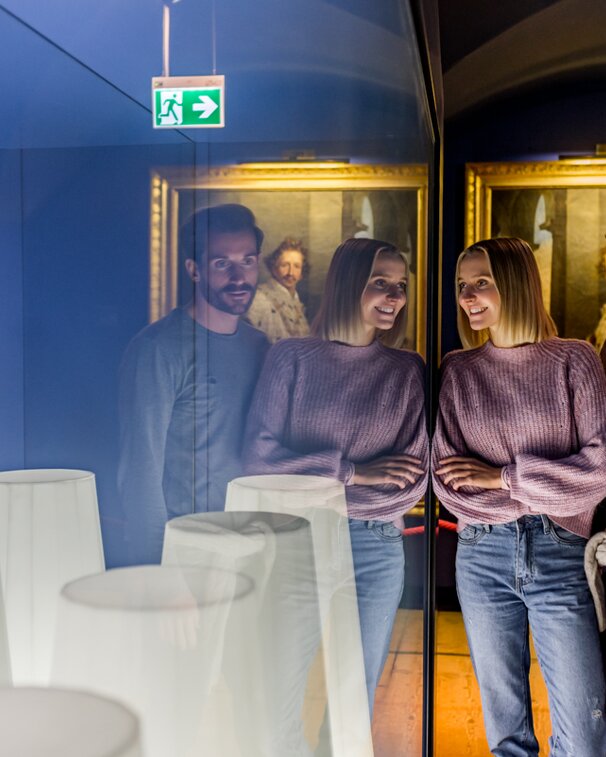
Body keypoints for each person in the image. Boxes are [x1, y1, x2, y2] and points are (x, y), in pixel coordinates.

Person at [432, 237, 606, 756]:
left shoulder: (576, 361)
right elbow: (449, 483)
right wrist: (545, 489)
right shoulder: (458, 370)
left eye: (481, 282)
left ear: (517, 281)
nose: (468, 296)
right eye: (463, 286)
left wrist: (503, 479)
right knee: (506, 732)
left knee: (585, 732)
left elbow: (598, 472)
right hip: (481, 553)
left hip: (561, 553)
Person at [244, 237, 428, 717]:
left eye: (401, 286)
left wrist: (314, 481)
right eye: (381, 283)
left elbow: (406, 486)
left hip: (376, 549)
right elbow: (259, 461)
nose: (395, 297)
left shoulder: (408, 370)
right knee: (276, 693)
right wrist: (353, 472)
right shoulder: (292, 358)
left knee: (354, 700)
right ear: (349, 284)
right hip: (297, 541)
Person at [118, 204, 269, 564]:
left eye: (247, 261)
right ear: (194, 269)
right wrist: (157, 565)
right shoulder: (158, 349)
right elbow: (141, 468)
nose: (238, 276)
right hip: (183, 547)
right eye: (222, 263)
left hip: (250, 543)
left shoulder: (260, 346)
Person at [246, 237, 310, 343]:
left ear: (302, 273)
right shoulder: (258, 299)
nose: (290, 272)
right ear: (273, 268)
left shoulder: (297, 303)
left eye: (297, 266)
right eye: (284, 265)